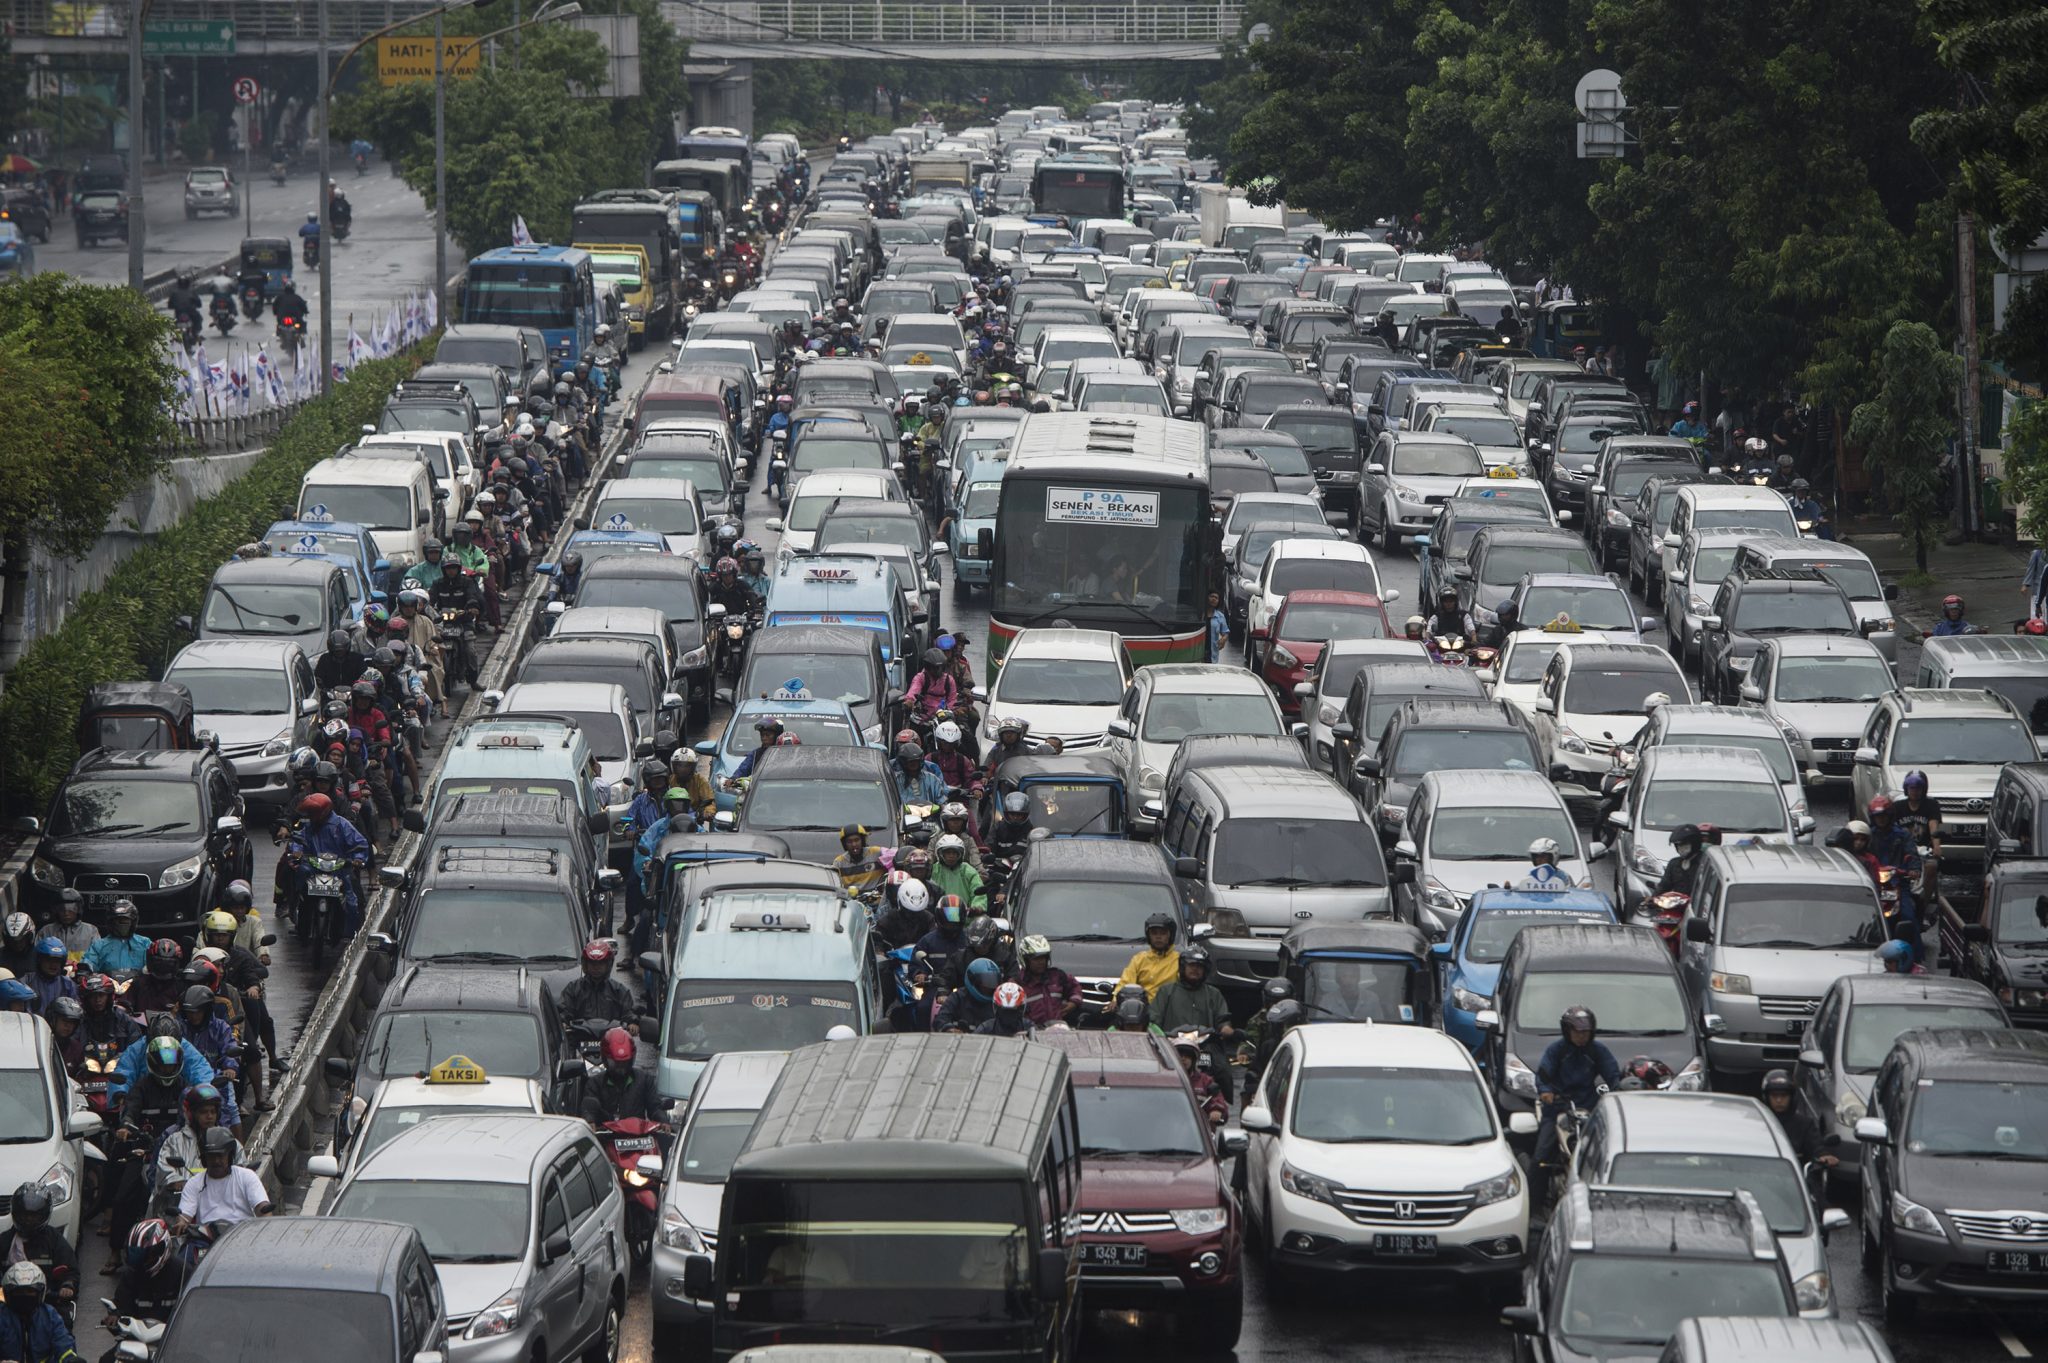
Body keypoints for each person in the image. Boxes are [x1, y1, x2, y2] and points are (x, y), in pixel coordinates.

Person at [1533, 1006, 1620, 1169]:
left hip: (1588, 1106)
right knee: (1541, 1157)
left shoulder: (1598, 1050)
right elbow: (1543, 1074)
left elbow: (1613, 1075)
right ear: (1567, 1031)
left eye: (1586, 1032)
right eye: (1577, 1032)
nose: (1582, 1036)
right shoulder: (1556, 1050)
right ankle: (1536, 1194)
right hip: (1557, 1107)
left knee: (1606, 1148)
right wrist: (1545, 1091)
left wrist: (1619, 1093)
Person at [285, 792, 370, 934]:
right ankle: (297, 912)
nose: (311, 816)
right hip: (314, 867)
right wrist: (296, 851)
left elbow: (360, 843)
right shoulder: (309, 826)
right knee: (298, 877)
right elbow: (298, 840)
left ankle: (351, 931)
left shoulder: (342, 825)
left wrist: (358, 859)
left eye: (313, 813)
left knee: (352, 900)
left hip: (339, 868)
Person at [1148, 947, 1235, 1081]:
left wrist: (1226, 1029)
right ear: (1183, 967)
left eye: (1199, 966)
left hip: (1205, 1046)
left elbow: (1222, 1018)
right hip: (1170, 1044)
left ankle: (1222, 1101)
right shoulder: (1166, 991)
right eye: (1191, 965)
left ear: (1205, 970)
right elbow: (1154, 1018)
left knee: (1223, 1071)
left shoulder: (1213, 994)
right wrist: (1158, 1034)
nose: (1195, 969)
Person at [0, 1184, 80, 1321]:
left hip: (46, 1302)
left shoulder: (54, 1239)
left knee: (62, 1325)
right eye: (24, 1215)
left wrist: (68, 1285)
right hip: (9, 1304)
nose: (28, 1220)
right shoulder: (5, 1241)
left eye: (33, 1216)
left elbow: (70, 1269)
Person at [175, 1127, 272, 1236]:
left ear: (230, 1156)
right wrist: (182, 1222)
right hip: (206, 1241)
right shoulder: (194, 1183)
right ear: (204, 1158)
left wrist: (265, 1218)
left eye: (220, 1156)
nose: (216, 1161)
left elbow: (262, 1206)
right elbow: (184, 1215)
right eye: (211, 1156)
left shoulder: (247, 1176)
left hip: (243, 1236)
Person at [108, 1219, 186, 1338]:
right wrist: (115, 1318)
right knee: (107, 1358)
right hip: (137, 1340)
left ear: (162, 1249)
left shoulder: (184, 1272)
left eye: (147, 1256)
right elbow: (122, 1308)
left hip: (173, 1342)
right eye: (136, 1255)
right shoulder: (131, 1274)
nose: (141, 1262)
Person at [579, 1027, 664, 1124]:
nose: (620, 1069)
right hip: (604, 1136)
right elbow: (589, 1109)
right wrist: (590, 1121)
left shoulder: (644, 1080)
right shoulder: (594, 1084)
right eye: (615, 1064)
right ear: (605, 1059)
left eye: (624, 1063)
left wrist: (662, 1120)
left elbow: (655, 1107)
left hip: (637, 1136)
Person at [0, 1261, 79, 1363]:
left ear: (40, 1293)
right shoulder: (2, 1316)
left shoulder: (49, 1315)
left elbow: (64, 1344)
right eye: (19, 1292)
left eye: (30, 1291)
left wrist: (71, 1360)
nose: (25, 1296)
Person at [559, 940, 643, 1035]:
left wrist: (633, 1023)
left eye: (600, 963)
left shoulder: (619, 990)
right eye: (592, 963)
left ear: (608, 964)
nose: (596, 967)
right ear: (586, 964)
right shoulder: (573, 988)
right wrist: (562, 1022)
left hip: (612, 1041)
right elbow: (564, 1011)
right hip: (579, 1040)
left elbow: (629, 1012)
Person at [1761, 1069, 1837, 1168]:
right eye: (1774, 1095)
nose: (1779, 1100)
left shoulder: (1804, 1124)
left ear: (1792, 1097)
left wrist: (1823, 1155)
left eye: (1783, 1095)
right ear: (1766, 1097)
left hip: (1796, 1176)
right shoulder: (1759, 1123)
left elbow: (1816, 1146)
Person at [1112, 912, 1182, 1004]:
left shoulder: (1179, 960)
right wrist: (1115, 1000)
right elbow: (1126, 983)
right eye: (1154, 933)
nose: (1158, 937)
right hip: (1141, 1011)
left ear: (1170, 935)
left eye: (1163, 933)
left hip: (1168, 1011)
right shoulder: (1139, 959)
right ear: (1148, 936)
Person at [1014, 936, 1080, 1027]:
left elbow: (1074, 987)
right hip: (1032, 1034)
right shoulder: (1017, 984)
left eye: (1044, 958)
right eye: (1036, 959)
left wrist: (1074, 1002)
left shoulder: (1057, 976)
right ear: (1025, 960)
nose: (1041, 962)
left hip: (1058, 1030)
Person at [1170, 1030, 1230, 1126]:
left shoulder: (1206, 1081)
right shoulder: (1165, 1081)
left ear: (1194, 1060)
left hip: (1201, 1131)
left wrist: (1216, 1110)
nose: (1183, 1059)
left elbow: (1218, 1101)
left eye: (1188, 1056)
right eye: (1179, 1055)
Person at [79, 900, 150, 977]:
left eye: (125, 921)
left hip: (138, 986)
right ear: (111, 922)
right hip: (108, 986)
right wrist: (85, 969)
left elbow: (153, 964)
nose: (122, 924)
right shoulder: (99, 945)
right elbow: (89, 961)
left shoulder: (144, 943)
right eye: (118, 921)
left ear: (133, 922)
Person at [935, 957, 1002, 1033]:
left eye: (992, 982)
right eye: (986, 983)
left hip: (991, 1043)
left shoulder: (999, 1001)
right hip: (960, 1042)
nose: (989, 987)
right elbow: (941, 1018)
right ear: (973, 980)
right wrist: (949, 1029)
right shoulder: (958, 997)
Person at [930, 833, 986, 911]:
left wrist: (977, 908)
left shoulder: (968, 871)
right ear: (940, 854)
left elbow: (978, 892)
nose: (951, 856)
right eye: (948, 853)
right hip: (937, 916)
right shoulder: (933, 870)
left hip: (965, 917)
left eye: (954, 853)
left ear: (960, 854)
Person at [1653, 823, 1705, 903]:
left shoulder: (1705, 863)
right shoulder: (1674, 864)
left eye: (1684, 844)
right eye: (1678, 845)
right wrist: (1653, 898)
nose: (1681, 848)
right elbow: (1664, 886)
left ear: (1695, 843)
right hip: (1677, 904)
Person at [832, 824, 888, 898]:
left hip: (877, 903)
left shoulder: (877, 853)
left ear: (863, 840)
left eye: (857, 840)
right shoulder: (839, 863)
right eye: (849, 842)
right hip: (852, 905)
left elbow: (894, 857)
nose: (854, 844)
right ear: (844, 844)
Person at [905, 647, 959, 720]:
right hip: (923, 719)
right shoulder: (921, 677)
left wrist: (949, 712)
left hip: (943, 718)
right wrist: (910, 701)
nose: (938, 671)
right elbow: (914, 690)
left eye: (940, 667)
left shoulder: (949, 680)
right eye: (935, 668)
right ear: (928, 667)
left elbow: (952, 700)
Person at [46, 890, 97, 963]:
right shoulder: (46, 931)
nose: (66, 913)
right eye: (61, 909)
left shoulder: (91, 931)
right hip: (54, 972)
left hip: (81, 972)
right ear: (56, 911)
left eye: (71, 909)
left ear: (78, 910)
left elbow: (96, 957)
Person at [1206, 590, 1230, 663]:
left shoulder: (1220, 616)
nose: (1214, 599)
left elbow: (1225, 632)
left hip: (1212, 654)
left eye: (1216, 598)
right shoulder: (1200, 615)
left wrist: (1223, 639)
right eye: (1211, 596)